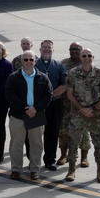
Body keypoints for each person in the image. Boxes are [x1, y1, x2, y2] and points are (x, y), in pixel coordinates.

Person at [5, 50, 52, 181]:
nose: (28, 62)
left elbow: (48, 95)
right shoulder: (13, 77)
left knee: (36, 144)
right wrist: (25, 109)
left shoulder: (43, 77)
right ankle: (15, 169)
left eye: (31, 59)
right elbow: (10, 95)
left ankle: (34, 170)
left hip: (36, 116)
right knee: (16, 144)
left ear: (35, 61)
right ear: (21, 61)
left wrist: (35, 109)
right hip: (18, 116)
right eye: (25, 60)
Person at [65, 49, 100, 183]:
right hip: (78, 114)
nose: (86, 58)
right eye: (84, 56)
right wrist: (82, 109)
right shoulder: (73, 73)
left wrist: (91, 108)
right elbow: (69, 94)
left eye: (89, 56)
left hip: (95, 115)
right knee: (73, 143)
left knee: (99, 144)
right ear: (80, 57)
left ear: (93, 57)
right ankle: (71, 170)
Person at [35, 40, 68, 170]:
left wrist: (50, 96)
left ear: (53, 50)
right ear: (40, 49)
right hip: (37, 105)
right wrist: (42, 100)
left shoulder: (59, 65)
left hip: (54, 104)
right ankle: (34, 160)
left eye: (49, 48)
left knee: (52, 133)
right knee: (35, 134)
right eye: (44, 47)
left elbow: (65, 84)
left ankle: (50, 160)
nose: (46, 50)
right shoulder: (34, 63)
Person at [58, 42, 91, 168]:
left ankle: (84, 157)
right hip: (66, 105)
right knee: (63, 130)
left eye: (77, 49)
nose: (74, 51)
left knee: (83, 132)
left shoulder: (86, 64)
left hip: (83, 106)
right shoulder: (63, 64)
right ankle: (63, 155)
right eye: (71, 49)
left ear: (81, 50)